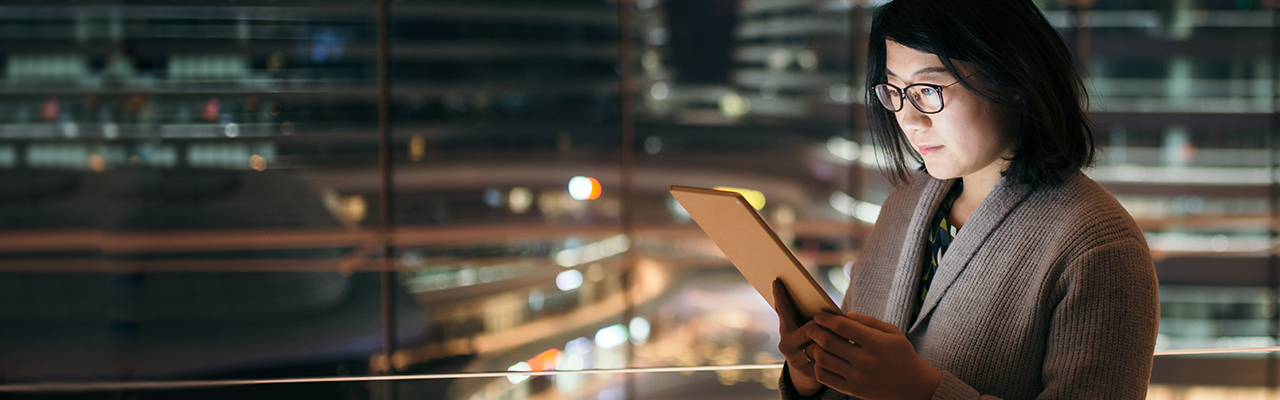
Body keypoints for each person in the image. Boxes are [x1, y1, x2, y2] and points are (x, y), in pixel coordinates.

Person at [772, 0, 1160, 399]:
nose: (909, 118)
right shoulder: (902, 206)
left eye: (928, 89)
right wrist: (812, 377)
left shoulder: (1098, 245)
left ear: (1014, 78)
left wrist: (921, 391)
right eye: (895, 91)